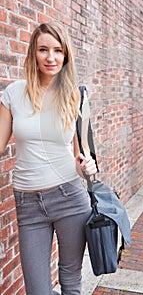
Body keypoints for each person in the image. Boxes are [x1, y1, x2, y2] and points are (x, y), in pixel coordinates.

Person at [0, 22, 97, 295]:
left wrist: (86, 166)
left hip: (69, 197)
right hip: (28, 202)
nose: (50, 57)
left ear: (66, 56)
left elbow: (83, 155)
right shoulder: (14, 94)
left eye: (57, 50)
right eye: (43, 49)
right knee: (38, 291)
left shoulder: (76, 97)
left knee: (70, 283)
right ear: (33, 53)